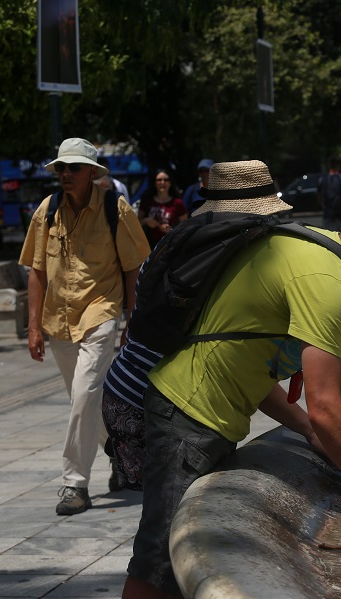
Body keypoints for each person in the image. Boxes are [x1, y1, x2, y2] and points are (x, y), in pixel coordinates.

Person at [121, 160, 341, 599]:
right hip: (188, 411)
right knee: (161, 563)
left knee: (181, 562)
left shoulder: (331, 261)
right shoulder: (324, 280)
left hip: (207, 413)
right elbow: (327, 407)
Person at [102, 161, 326, 493]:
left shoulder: (177, 242)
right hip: (159, 401)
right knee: (171, 523)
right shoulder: (235, 266)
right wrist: (308, 429)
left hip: (122, 388)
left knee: (163, 517)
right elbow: (243, 368)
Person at [18, 137, 151, 515]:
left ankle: (74, 484)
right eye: (61, 167)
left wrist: (131, 319)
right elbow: (36, 271)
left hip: (100, 312)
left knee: (84, 393)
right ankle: (120, 455)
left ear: (93, 172)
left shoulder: (115, 208)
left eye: (73, 167)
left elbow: (132, 268)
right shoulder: (47, 211)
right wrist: (32, 326)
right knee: (85, 401)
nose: (65, 174)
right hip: (58, 320)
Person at [138, 169, 187, 248]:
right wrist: (146, 220)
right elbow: (137, 223)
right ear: (154, 182)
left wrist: (170, 229)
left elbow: (185, 226)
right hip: (148, 245)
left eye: (166, 180)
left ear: (170, 183)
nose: (162, 182)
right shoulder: (147, 201)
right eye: (159, 180)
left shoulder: (177, 202)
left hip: (170, 246)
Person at [318, 156, 341, 233]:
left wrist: (324, 206)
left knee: (329, 239)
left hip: (327, 214)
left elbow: (320, 197)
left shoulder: (322, 179)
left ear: (329, 165)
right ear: (338, 166)